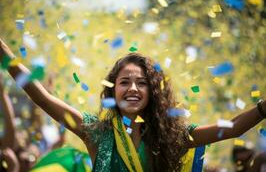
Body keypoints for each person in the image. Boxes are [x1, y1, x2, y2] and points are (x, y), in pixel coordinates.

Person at [0, 38, 265, 171]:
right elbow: (41, 97)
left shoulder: (171, 137)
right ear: (112, 91)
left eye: (142, 83)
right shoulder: (95, 131)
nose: (133, 88)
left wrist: (263, 108)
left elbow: (231, 128)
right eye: (124, 82)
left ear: (153, 93)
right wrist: (4, 54)